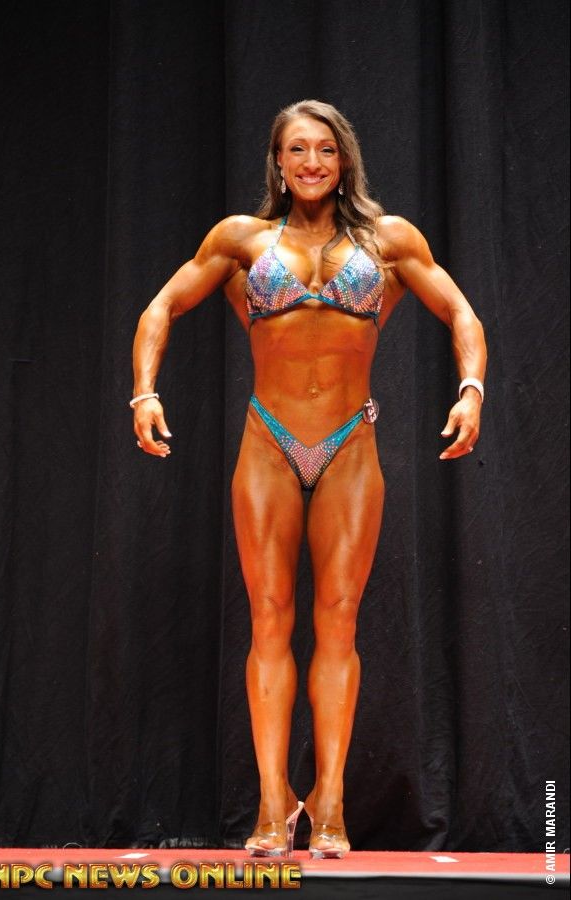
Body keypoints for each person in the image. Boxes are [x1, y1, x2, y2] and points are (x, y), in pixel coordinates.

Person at [131, 100, 486, 859]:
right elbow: (162, 306)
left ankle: (329, 802)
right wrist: (144, 393)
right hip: (269, 441)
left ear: (344, 160)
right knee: (268, 617)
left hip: (349, 444)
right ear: (278, 162)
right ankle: (270, 804)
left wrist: (471, 390)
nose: (312, 163)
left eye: (325, 149)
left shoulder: (388, 240)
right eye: (297, 150)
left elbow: (461, 314)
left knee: (339, 620)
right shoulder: (242, 239)